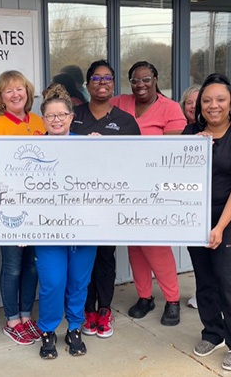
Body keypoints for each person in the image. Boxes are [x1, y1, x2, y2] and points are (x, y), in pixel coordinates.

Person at [183, 74, 231, 372]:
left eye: (220, 99)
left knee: (227, 280)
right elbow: (175, 175)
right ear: (199, 106)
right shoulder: (191, 133)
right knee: (204, 279)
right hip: (193, 219)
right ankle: (212, 332)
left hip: (227, 219)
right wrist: (193, 149)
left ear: (230, 104)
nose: (213, 105)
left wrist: (219, 228)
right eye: (207, 100)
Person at [110, 61, 186, 326]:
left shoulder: (170, 108)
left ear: (156, 79)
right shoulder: (120, 102)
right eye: (135, 80)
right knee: (135, 247)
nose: (140, 85)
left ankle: (172, 299)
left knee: (155, 245)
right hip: (125, 187)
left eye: (146, 79)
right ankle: (145, 297)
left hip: (155, 188)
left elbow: (173, 151)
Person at [0, 70, 45, 346]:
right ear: (1, 98)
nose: (16, 94)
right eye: (9, 91)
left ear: (27, 92)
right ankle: (12, 319)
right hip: (11, 211)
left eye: (20, 89)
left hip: (39, 210)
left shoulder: (39, 122)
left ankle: (27, 316)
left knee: (33, 266)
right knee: (13, 266)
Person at [70, 59, 141, 338]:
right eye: (97, 78)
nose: (102, 83)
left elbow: (136, 163)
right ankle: (86, 308)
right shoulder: (73, 115)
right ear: (88, 85)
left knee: (105, 256)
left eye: (107, 78)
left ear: (113, 84)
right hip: (75, 200)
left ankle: (105, 310)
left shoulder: (125, 121)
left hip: (111, 202)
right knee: (83, 256)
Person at [35, 84, 97, 359]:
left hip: (84, 227)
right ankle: (48, 330)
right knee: (53, 281)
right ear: (44, 119)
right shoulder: (31, 149)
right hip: (47, 230)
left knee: (78, 281)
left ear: (72, 117)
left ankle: (74, 327)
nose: (57, 120)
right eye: (51, 116)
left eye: (62, 115)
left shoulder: (87, 145)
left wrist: (103, 148)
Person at [180, 82, 202, 310]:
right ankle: (202, 292)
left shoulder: (219, 130)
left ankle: (214, 295)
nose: (194, 107)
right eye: (189, 103)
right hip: (191, 202)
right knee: (197, 253)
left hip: (217, 204)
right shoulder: (187, 132)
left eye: (199, 102)